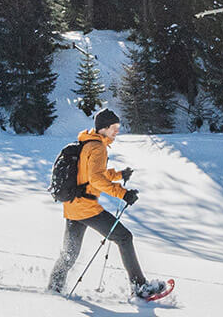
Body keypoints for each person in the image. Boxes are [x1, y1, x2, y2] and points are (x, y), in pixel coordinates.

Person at [46, 108, 165, 300]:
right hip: (86, 208)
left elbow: (91, 175)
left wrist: (119, 175)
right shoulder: (98, 147)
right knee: (124, 237)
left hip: (73, 206)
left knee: (70, 254)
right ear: (104, 128)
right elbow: (96, 180)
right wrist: (123, 193)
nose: (117, 131)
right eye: (114, 127)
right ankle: (140, 287)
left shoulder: (88, 143)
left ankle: (54, 287)